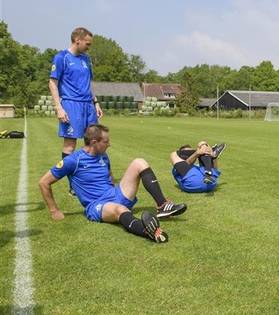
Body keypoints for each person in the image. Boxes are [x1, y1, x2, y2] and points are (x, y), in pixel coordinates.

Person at [39, 124, 187, 243]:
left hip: (115, 194)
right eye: (106, 142)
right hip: (97, 205)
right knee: (119, 209)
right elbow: (44, 182)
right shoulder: (72, 161)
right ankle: (146, 230)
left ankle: (162, 206)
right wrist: (54, 210)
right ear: (94, 142)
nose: (109, 145)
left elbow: (109, 176)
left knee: (139, 162)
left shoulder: (103, 155)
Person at [49, 27, 103, 194]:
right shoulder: (61, 58)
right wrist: (59, 108)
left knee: (95, 142)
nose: (89, 47)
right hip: (71, 105)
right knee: (70, 146)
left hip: (88, 105)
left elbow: (88, 84)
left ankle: (94, 180)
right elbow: (52, 83)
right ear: (77, 40)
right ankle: (73, 185)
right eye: (87, 43)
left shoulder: (86, 59)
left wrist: (96, 102)